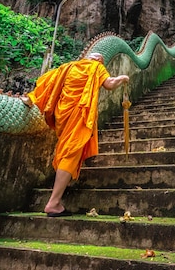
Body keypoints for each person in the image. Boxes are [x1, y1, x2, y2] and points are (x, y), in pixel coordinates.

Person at [21, 52, 129, 217]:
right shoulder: (96, 67)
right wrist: (123, 78)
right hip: (78, 116)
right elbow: (109, 83)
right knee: (71, 152)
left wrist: (32, 98)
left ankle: (61, 189)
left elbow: (46, 83)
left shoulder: (69, 67)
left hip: (62, 116)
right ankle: (54, 202)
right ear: (100, 60)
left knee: (67, 148)